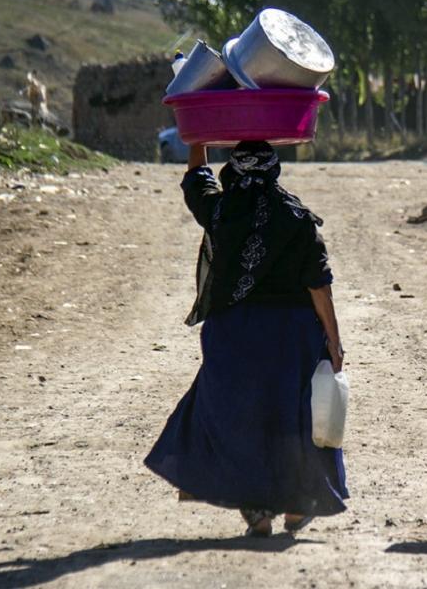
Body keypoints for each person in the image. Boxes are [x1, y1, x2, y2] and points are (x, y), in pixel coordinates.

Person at [145, 140, 348, 537]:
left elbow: (195, 180)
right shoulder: (298, 217)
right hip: (292, 337)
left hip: (234, 333)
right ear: (275, 171)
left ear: (233, 172)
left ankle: (256, 511)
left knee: (236, 416)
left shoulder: (220, 211)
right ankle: (295, 506)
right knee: (292, 417)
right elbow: (318, 286)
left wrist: (198, 138)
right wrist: (334, 341)